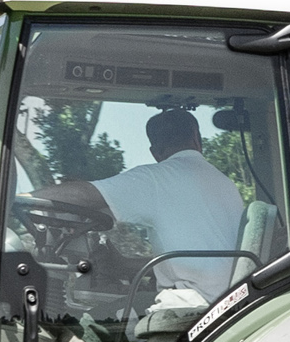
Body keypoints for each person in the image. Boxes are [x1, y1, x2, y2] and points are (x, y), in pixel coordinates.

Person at [95, 107, 249, 297]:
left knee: (98, 318)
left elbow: (81, 195)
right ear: (195, 137)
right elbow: (196, 264)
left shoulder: (155, 179)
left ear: (154, 152)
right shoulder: (225, 184)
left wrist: (46, 197)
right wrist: (123, 264)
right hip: (231, 301)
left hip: (195, 310)